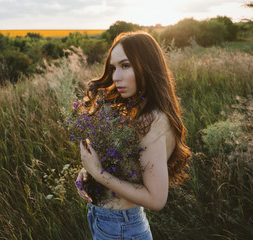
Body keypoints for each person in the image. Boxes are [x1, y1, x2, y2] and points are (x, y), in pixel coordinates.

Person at [76, 31, 191, 239]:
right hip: (108, 223)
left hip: (121, 229)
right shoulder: (137, 113)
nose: (116, 77)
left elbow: (156, 200)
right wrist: (87, 173)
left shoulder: (154, 121)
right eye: (113, 68)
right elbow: (125, 169)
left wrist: (98, 173)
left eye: (125, 65)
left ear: (147, 66)